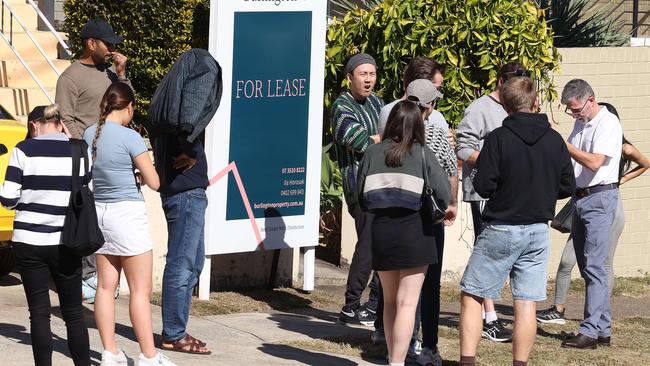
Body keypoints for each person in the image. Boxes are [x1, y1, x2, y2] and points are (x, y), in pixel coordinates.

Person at [458, 76, 575, 366]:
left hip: (502, 226)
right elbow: (567, 185)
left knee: (472, 294)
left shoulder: (498, 138)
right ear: (535, 101)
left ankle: (467, 361)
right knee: (526, 302)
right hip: (538, 230)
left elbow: (483, 186)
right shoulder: (554, 139)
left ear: (505, 105)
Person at [83, 83, 176, 366]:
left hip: (100, 213)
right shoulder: (131, 137)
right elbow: (155, 182)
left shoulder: (90, 133)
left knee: (104, 288)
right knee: (139, 290)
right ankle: (149, 355)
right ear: (129, 107)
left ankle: (110, 352)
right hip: (127, 216)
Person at [537, 104, 650, 328]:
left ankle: (599, 316)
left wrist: (621, 181)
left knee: (602, 265)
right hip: (586, 202)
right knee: (569, 261)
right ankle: (558, 308)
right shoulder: (588, 140)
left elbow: (645, 164)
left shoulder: (623, 147)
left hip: (607, 205)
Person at [357, 99, 451, 366]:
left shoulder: (373, 153)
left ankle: (392, 356)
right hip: (417, 231)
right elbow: (443, 193)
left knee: (389, 301)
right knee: (408, 302)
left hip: (382, 230)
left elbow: (359, 194)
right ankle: (397, 361)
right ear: (418, 124)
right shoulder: (422, 152)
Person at [377, 63, 458, 365]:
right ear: (428, 106)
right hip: (420, 223)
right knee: (416, 295)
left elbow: (364, 187)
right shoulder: (432, 133)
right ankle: (425, 347)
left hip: (384, 222)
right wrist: (451, 205)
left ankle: (393, 353)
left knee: (390, 299)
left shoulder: (385, 117)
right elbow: (444, 181)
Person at [0, 104, 91, 366]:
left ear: (33, 125)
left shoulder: (23, 150)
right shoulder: (80, 150)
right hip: (67, 241)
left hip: (29, 243)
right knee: (74, 313)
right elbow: (87, 191)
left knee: (39, 314)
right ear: (60, 123)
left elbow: (8, 200)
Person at [55, 17, 131, 303]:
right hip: (87, 158)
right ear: (91, 43)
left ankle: (102, 274)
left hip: (114, 155)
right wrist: (85, 146)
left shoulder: (111, 73)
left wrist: (121, 74)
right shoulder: (71, 77)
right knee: (87, 215)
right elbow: (64, 116)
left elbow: (126, 104)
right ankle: (88, 278)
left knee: (110, 214)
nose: (112, 48)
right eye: (108, 43)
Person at [455, 62, 529, 342]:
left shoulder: (518, 107)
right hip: (485, 192)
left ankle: (492, 317)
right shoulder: (479, 108)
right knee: (488, 255)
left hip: (511, 192)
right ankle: (489, 319)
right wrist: (495, 162)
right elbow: (463, 148)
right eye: (512, 85)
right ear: (500, 82)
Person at [558, 79, 623, 350]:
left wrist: (564, 146)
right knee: (588, 267)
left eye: (576, 110)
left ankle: (590, 332)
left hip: (600, 198)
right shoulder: (581, 123)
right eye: (570, 111)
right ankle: (602, 328)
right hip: (582, 198)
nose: (574, 115)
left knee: (595, 267)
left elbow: (595, 162)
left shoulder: (607, 123)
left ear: (591, 100)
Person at [150, 100, 212, 354]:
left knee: (194, 263)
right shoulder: (177, 118)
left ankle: (177, 331)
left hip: (187, 194)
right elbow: (183, 131)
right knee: (182, 264)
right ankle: (174, 334)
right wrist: (190, 150)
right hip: (185, 195)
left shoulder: (171, 116)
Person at [332, 53, 384, 326]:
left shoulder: (378, 103)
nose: (368, 80)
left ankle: (374, 304)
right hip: (359, 188)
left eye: (372, 74)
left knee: (380, 245)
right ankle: (351, 305)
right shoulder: (342, 106)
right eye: (363, 74)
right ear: (349, 77)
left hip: (384, 185)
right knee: (368, 246)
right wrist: (384, 137)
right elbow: (356, 139)